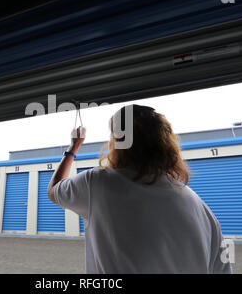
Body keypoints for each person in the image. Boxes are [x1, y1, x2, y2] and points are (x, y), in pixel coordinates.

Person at [47, 104, 232, 274]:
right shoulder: (202, 209)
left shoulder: (97, 183)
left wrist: (73, 147)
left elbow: (53, 190)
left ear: (118, 143)